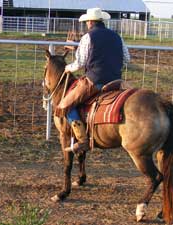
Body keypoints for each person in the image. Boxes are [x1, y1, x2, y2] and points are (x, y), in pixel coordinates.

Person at [56, 8, 130, 153]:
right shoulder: (117, 36)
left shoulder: (88, 37)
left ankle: (82, 140)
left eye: (86, 22)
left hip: (95, 80)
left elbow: (80, 63)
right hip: (116, 80)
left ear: (90, 22)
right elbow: (127, 59)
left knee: (65, 105)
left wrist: (67, 68)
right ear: (101, 20)